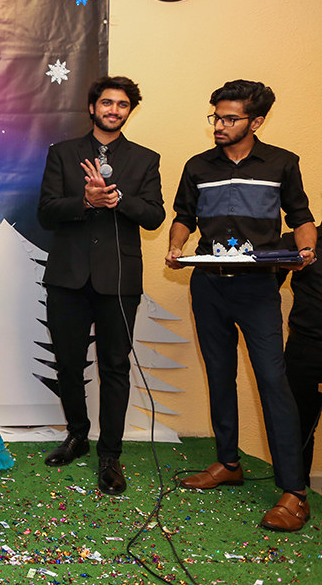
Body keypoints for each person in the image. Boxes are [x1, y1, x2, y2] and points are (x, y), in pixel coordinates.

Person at [166, 80, 315, 532]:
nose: (220, 125)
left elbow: (301, 218)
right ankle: (228, 463)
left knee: (272, 380)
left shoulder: (282, 163)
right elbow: (183, 218)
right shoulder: (197, 166)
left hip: (258, 289)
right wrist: (175, 247)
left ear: (256, 122)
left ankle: (294, 492)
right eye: (216, 116)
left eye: (230, 118)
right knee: (219, 374)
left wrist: (306, 251)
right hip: (208, 286)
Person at [37, 76, 165, 495]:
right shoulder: (63, 153)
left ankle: (110, 454)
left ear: (130, 111)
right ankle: (77, 435)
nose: (114, 110)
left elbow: (154, 216)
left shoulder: (145, 159)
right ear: (92, 107)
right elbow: (46, 212)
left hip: (119, 281)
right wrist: (85, 202)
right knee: (68, 363)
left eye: (122, 104)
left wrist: (118, 199)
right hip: (68, 278)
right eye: (107, 102)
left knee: (115, 367)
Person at [279, 224, 322, 488]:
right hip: (304, 350)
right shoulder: (298, 243)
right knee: (297, 430)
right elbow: (263, 289)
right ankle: (296, 494)